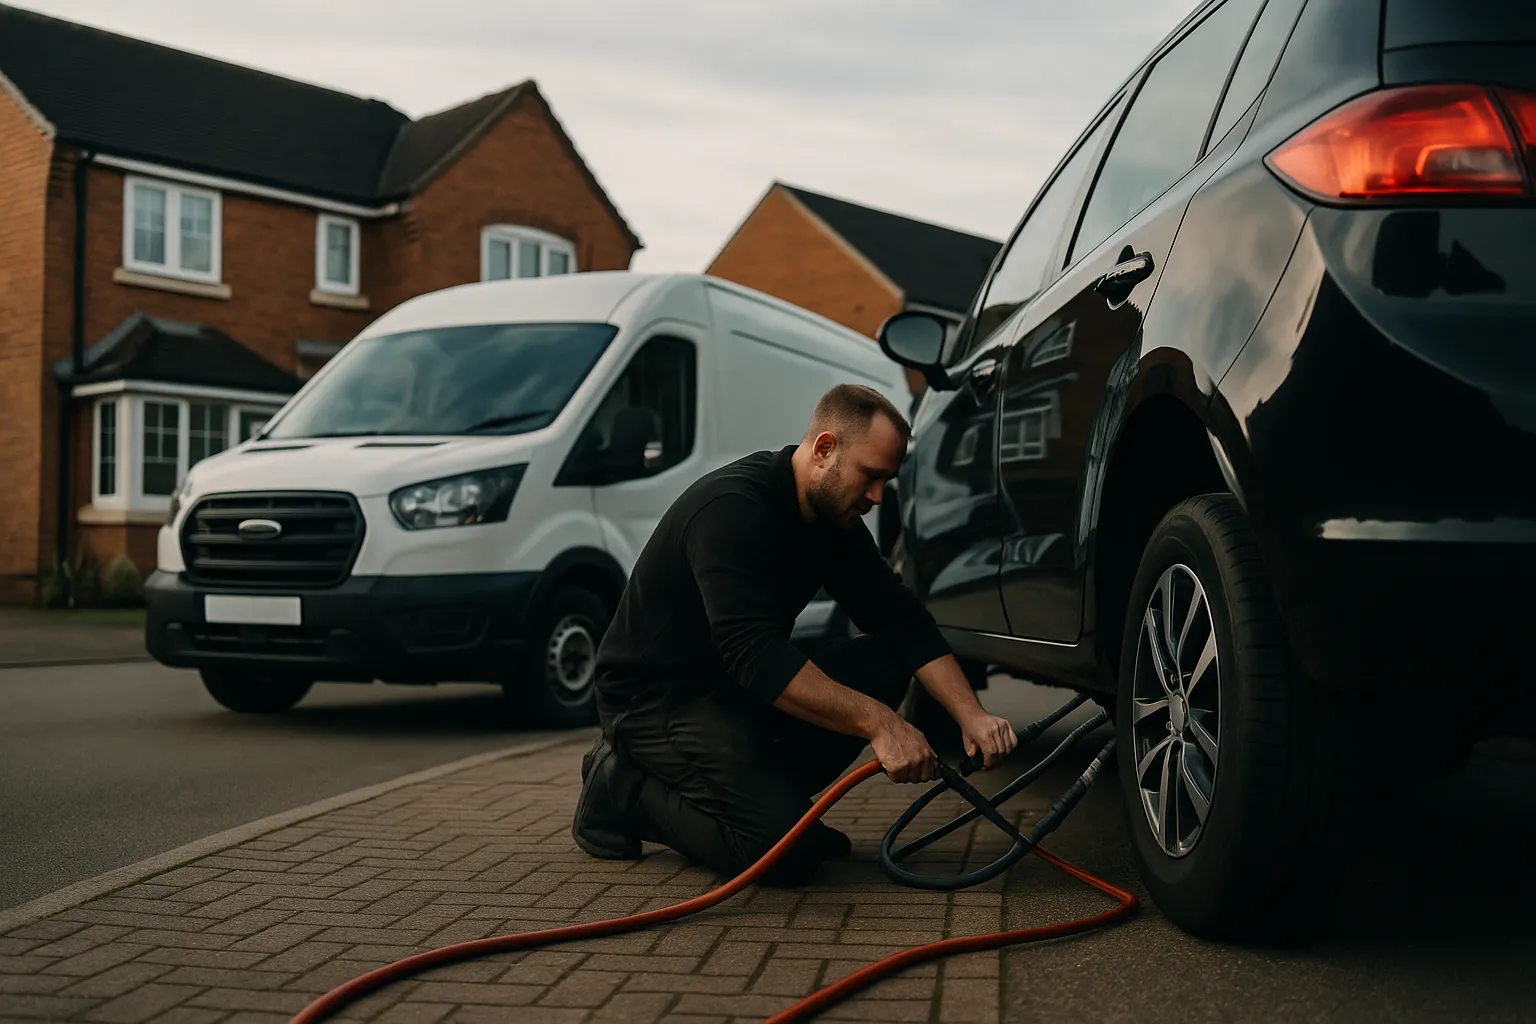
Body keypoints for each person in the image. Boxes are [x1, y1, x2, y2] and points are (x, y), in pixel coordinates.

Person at [571, 383, 1017, 884]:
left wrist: (971, 715)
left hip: (734, 688)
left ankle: (774, 809)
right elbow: (754, 654)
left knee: (886, 659)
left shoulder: (834, 523)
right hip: (656, 699)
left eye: (885, 482)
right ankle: (619, 790)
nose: (876, 497)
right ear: (825, 448)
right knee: (784, 857)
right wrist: (881, 724)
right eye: (870, 477)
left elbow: (901, 621)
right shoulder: (731, 509)